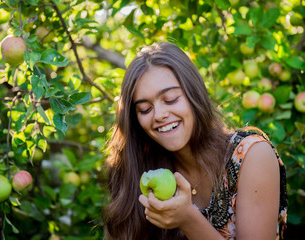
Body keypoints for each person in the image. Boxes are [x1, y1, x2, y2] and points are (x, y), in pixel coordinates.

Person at [103, 42, 287, 240]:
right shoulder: (142, 171)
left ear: (194, 95)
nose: (159, 115)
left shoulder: (251, 155)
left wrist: (188, 219)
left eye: (171, 99)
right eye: (145, 109)